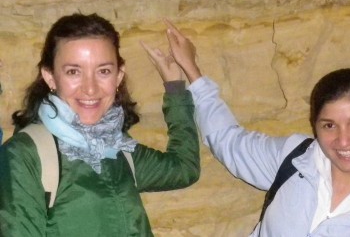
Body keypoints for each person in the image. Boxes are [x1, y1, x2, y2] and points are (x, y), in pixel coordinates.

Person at [151, 20, 350, 236]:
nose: (343, 140)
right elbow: (228, 141)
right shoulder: (296, 160)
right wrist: (192, 71)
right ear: (315, 126)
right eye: (329, 125)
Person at [0, 13, 200, 236]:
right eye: (73, 72)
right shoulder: (26, 155)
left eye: (103, 71)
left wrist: (175, 89)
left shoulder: (116, 149)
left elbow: (183, 169)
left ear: (118, 76)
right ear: (50, 77)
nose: (90, 88)